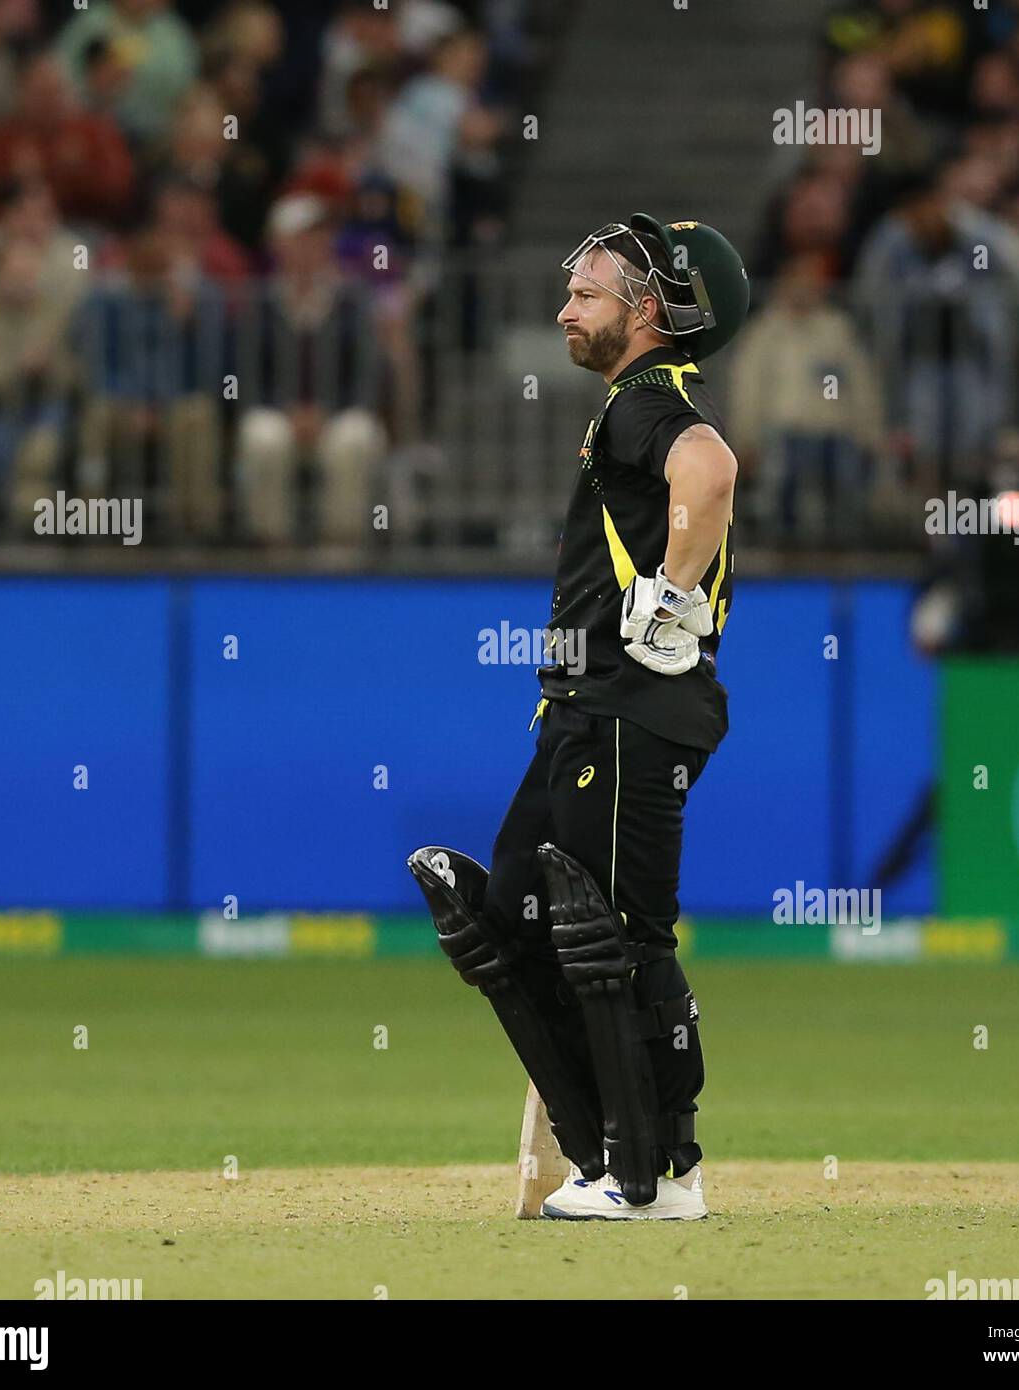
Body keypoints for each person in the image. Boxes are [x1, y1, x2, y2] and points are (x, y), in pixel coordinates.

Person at [407, 214, 749, 1220]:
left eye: (588, 294)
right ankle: (599, 1151)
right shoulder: (627, 407)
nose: (565, 307)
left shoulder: (647, 401)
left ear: (648, 313)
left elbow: (713, 470)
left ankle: (657, 1176)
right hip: (585, 708)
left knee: (619, 937)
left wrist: (671, 595)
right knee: (508, 920)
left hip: (629, 706)